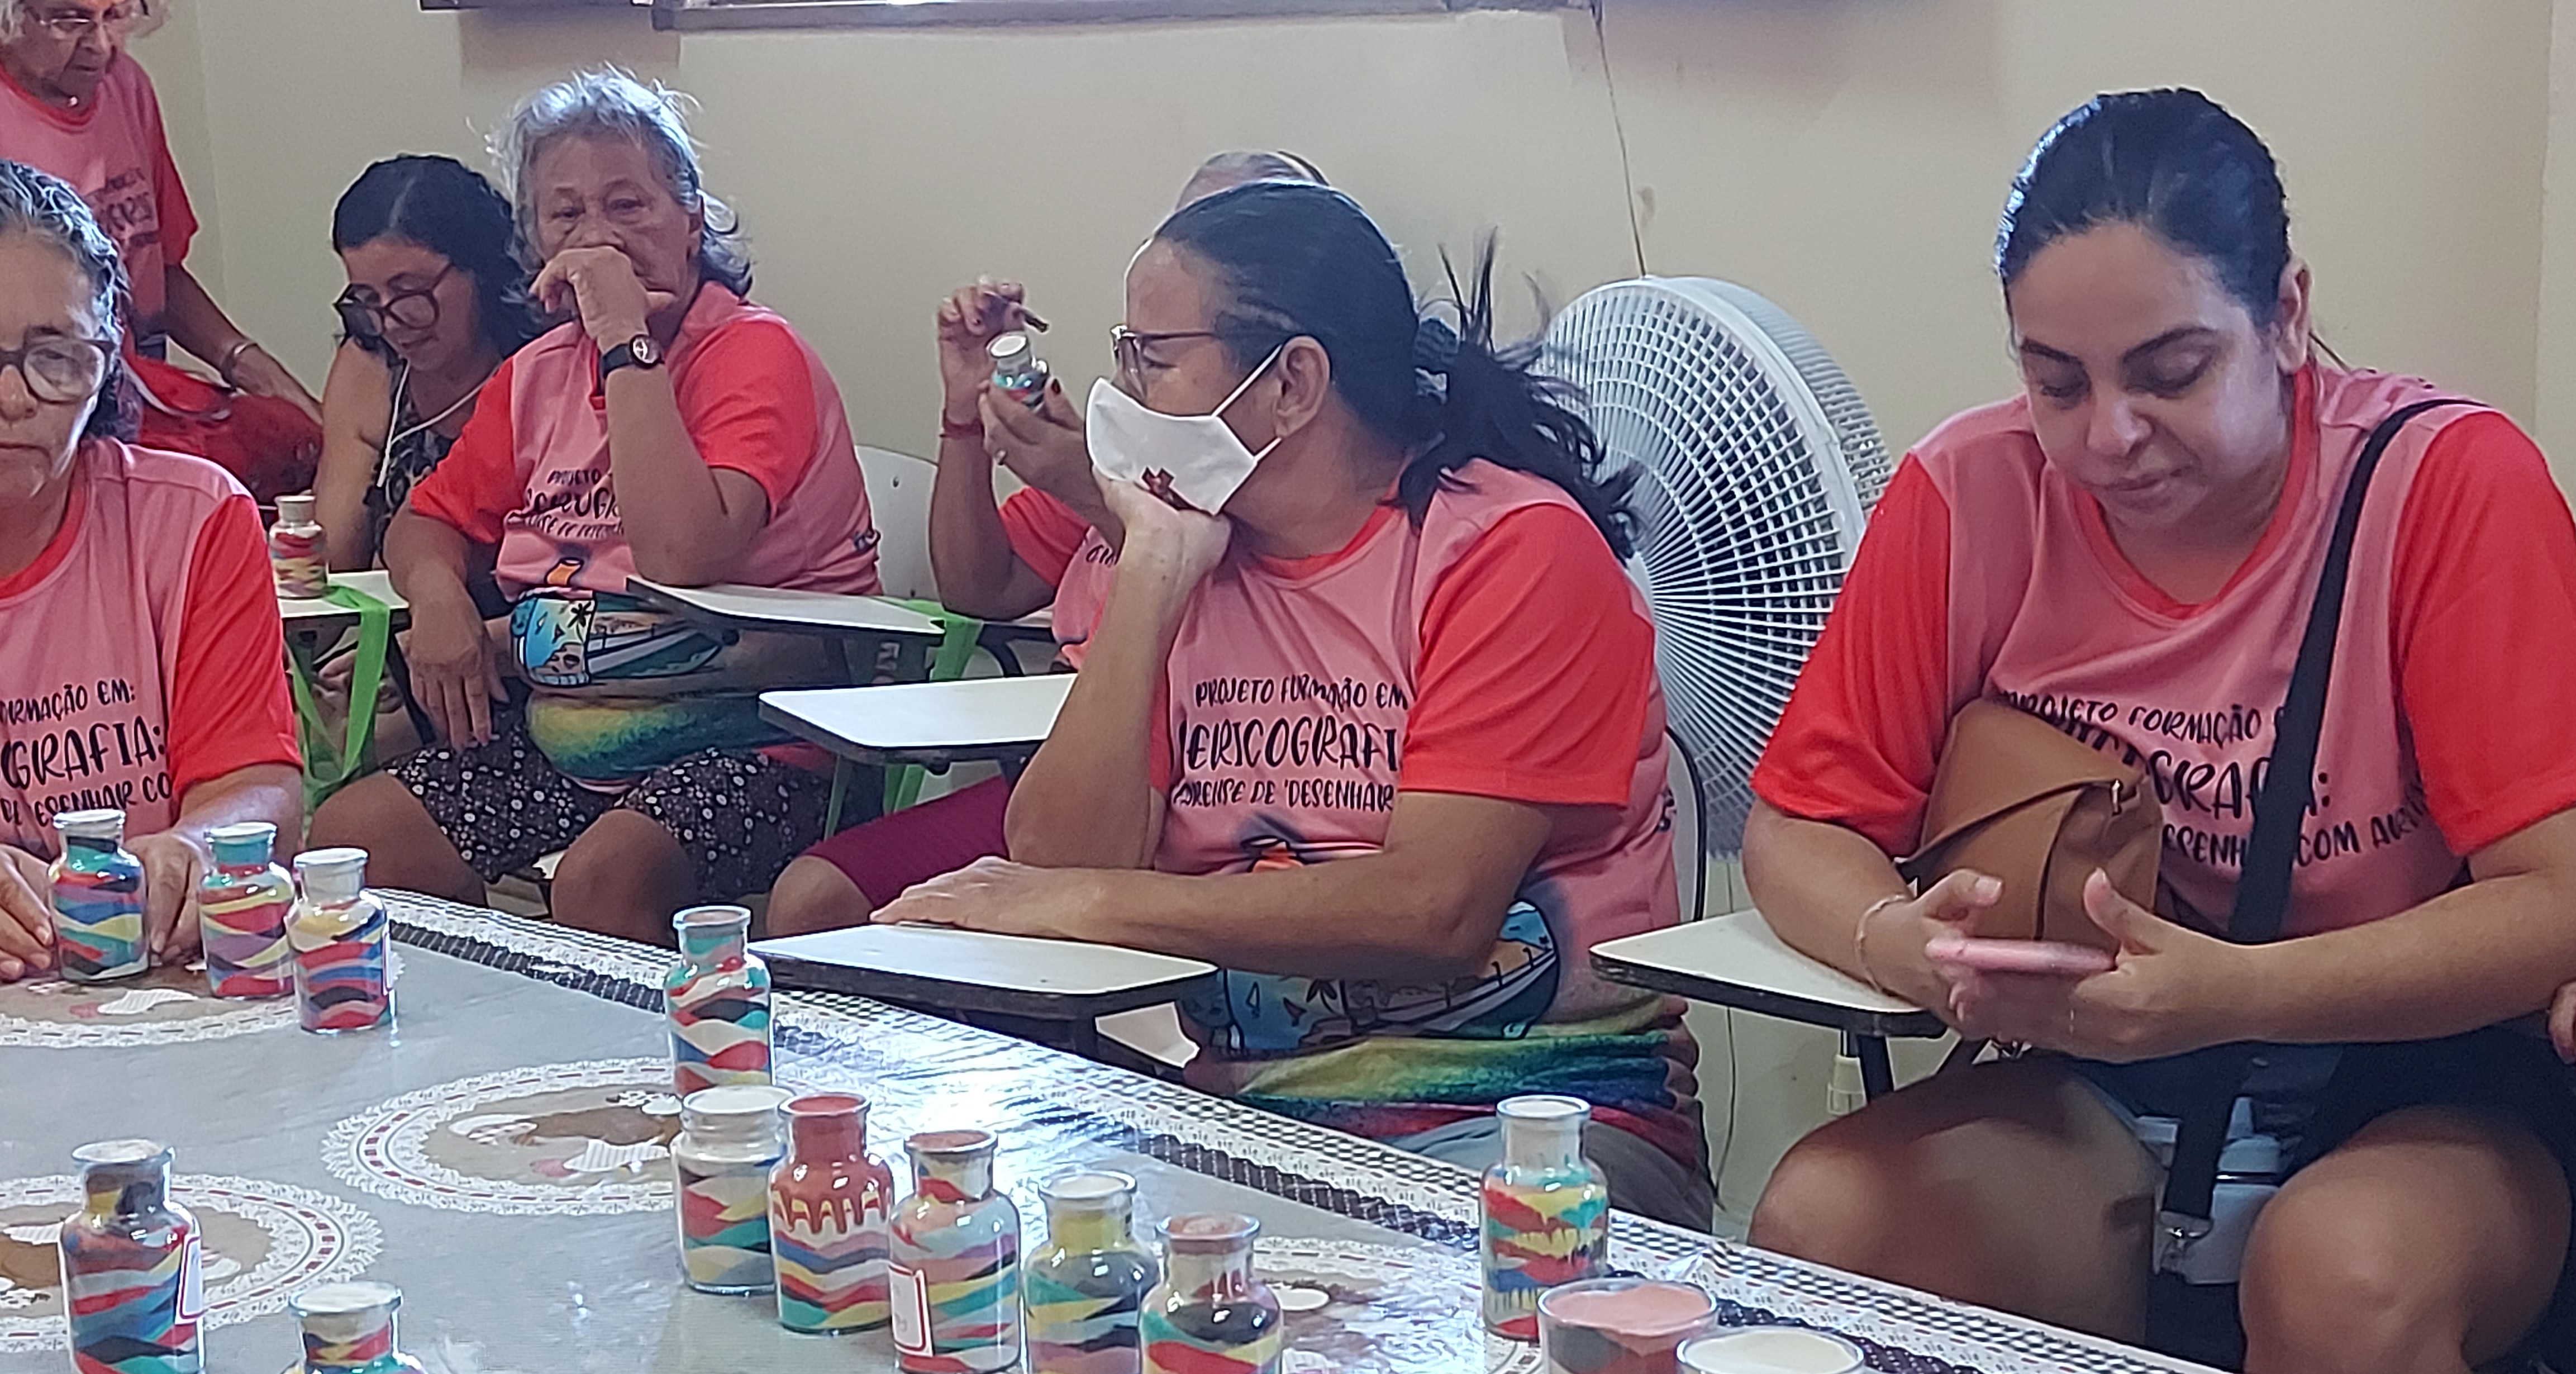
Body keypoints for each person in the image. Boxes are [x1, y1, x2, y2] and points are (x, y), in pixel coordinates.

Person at [1740, 90, 2576, 1374]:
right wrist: (1902, 944)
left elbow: (2558, 898)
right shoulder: (1968, 491)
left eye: (2169, 371)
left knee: (2344, 1279)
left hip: (2420, 1073)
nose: (2108, 436)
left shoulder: (2440, 486)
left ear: (2285, 317)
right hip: (2100, 1073)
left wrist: (2233, 995)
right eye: (2055, 382)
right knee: (1823, 1222)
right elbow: (1795, 825)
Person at [874, 180, 1710, 1227]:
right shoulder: (1188, 546)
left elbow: (1432, 913)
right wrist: (1150, 578)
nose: (1119, 392)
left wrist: (1084, 902)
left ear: (1292, 383)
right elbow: (1055, 858)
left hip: (1526, 1116)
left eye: (1152, 357)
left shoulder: (1509, 549)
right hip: (1253, 1114)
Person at [309, 70, 879, 947]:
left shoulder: (754, 353)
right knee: (355, 839)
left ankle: (659, 1036)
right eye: (566, 214)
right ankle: (498, 1020)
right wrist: (441, 600)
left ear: (692, 220)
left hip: (763, 741)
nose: (599, 238)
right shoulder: (537, 374)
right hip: (570, 738)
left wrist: (624, 340)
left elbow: (683, 553)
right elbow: (428, 519)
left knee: (602, 879)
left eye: (628, 205)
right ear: (535, 242)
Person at [763, 149, 1326, 938]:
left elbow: (1249, 602)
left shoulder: (1299, 492)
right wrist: (967, 418)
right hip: (1060, 766)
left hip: (1203, 794)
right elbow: (978, 588)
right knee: (814, 898)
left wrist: (1085, 487)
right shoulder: (1126, 441)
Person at [0, 159, 299, 978]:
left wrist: (195, 849)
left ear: (106, 367)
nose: (16, 398)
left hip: (148, 978)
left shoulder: (193, 519)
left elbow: (256, 782)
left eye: (57, 356)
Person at [0, 0, 320, 480]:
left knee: (299, 442)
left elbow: (160, 269)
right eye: (71, 21)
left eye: (116, 16)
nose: (102, 46)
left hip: (139, 391)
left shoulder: (126, 87)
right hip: (45, 402)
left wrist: (252, 366)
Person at [315, 154, 540, 572]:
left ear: (480, 268)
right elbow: (337, 559)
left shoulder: (545, 367)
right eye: (367, 299)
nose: (391, 322)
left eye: (410, 291)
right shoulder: (371, 365)